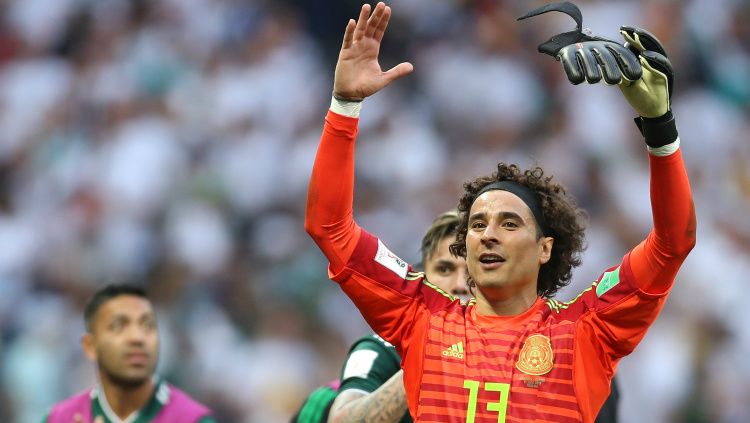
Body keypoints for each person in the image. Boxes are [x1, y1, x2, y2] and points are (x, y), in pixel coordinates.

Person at [305, 2, 695, 422]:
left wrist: (660, 128)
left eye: (509, 223)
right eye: (477, 224)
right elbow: (329, 228)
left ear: (545, 248)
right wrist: (344, 106)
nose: (487, 234)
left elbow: (673, 243)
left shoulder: (586, 331)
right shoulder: (422, 318)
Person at [292, 210, 469, 423]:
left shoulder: (513, 355)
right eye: (444, 269)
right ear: (423, 281)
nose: (460, 285)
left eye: (472, 273)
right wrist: (427, 358)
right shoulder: (381, 350)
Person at [43, 284, 215, 423]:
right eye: (119, 326)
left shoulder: (193, 420)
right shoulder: (58, 419)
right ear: (90, 346)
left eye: (147, 326)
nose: (137, 338)